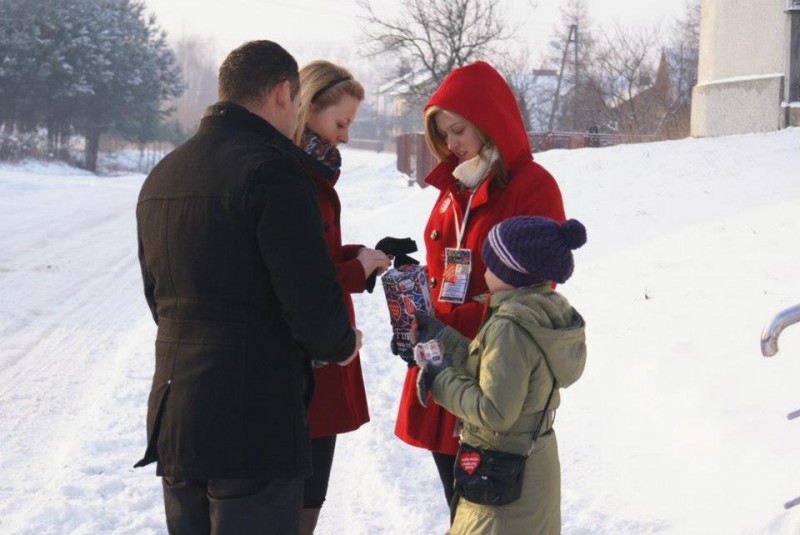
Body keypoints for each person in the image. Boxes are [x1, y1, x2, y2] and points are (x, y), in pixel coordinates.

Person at [134, 40, 361, 535]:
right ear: (282, 93)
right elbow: (309, 300)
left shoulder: (164, 174)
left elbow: (157, 296)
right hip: (254, 421)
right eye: (296, 101)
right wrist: (342, 343)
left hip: (178, 418)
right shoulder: (274, 172)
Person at [392, 60, 567, 507]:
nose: (450, 144)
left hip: (492, 369)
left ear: (490, 124)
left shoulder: (532, 186)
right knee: (460, 505)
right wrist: (416, 314)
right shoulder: (458, 185)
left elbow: (535, 290)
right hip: (446, 359)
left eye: (459, 130)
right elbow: (448, 267)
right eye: (443, 134)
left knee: (484, 508)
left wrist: (450, 325)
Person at [413, 215, 588, 534]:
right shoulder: (540, 310)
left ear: (511, 275)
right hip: (530, 465)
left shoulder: (509, 327)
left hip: (504, 475)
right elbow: (497, 369)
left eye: (491, 266)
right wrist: (441, 336)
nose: (484, 272)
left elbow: (493, 411)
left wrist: (439, 378)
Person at [291, 60, 391, 534]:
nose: (346, 137)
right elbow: (299, 276)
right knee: (302, 486)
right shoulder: (294, 176)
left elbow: (313, 252)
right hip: (308, 355)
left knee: (310, 484)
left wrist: (358, 256)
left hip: (320, 350)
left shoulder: (313, 170)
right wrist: (354, 270)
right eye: (341, 123)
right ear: (308, 108)